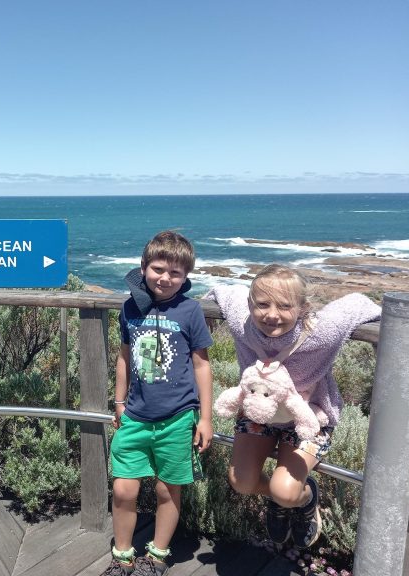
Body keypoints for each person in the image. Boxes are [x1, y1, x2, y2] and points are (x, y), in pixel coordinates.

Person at [205, 265, 380, 549]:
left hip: (310, 418)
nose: (271, 314)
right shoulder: (243, 322)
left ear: (302, 307)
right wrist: (207, 303)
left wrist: (398, 328)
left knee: (285, 491)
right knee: (242, 481)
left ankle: (303, 497)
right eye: (262, 304)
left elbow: (357, 304)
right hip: (260, 415)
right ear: (251, 305)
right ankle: (280, 497)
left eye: (285, 306)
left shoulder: (321, 332)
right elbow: (228, 293)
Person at [103, 231, 213, 576]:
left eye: (175, 273)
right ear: (143, 267)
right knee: (123, 488)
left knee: (168, 490)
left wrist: (205, 418)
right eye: (158, 269)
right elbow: (123, 358)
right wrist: (119, 401)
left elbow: (202, 365)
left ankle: (157, 556)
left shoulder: (190, 310)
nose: (165, 278)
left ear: (185, 277)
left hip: (177, 419)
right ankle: (122, 557)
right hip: (134, 416)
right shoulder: (129, 308)